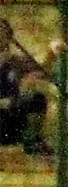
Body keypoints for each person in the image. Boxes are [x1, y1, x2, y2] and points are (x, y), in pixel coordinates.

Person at [0, 20, 62, 155]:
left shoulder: (16, 62)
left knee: (37, 99)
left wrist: (51, 52)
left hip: (11, 122)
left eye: (3, 31)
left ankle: (33, 141)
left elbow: (40, 70)